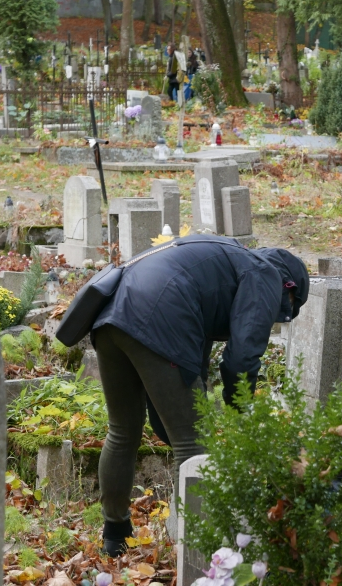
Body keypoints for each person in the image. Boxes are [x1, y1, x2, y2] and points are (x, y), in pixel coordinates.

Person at [90, 235, 309, 557]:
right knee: (194, 444)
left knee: (122, 432)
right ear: (289, 289)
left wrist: (176, 421)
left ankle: (115, 537)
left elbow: (192, 366)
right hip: (158, 314)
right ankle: (202, 555)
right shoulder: (266, 274)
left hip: (110, 314)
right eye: (283, 312)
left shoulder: (222, 267)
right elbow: (241, 359)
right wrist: (242, 415)